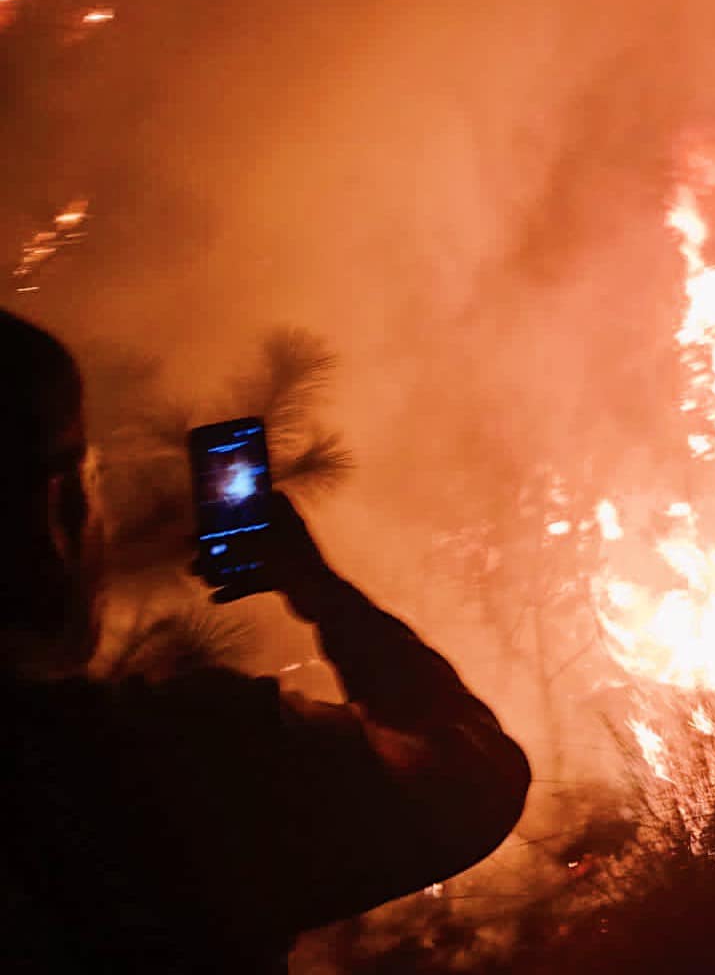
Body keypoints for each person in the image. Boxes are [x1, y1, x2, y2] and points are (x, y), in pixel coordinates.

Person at [0, 309, 531, 972]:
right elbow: (475, 780)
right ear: (60, 513)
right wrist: (322, 592)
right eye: (91, 478)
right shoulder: (183, 754)